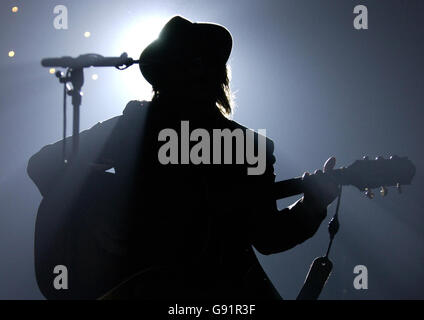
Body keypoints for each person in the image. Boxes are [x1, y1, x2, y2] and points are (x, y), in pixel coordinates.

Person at [28, 16, 339, 300]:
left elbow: (268, 236)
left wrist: (311, 205)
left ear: (211, 72)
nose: (187, 73)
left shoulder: (246, 145)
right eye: (179, 64)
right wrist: (105, 216)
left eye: (196, 62)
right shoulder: (136, 123)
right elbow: (43, 165)